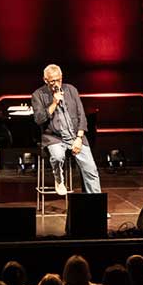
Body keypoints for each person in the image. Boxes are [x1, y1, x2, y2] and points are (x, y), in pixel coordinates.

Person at [30, 63, 102, 195]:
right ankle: (59, 179)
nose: (56, 83)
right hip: (54, 138)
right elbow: (39, 119)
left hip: (75, 136)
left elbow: (81, 115)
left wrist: (79, 138)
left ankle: (95, 203)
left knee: (91, 170)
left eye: (58, 80)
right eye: (52, 81)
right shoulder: (38, 95)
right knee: (58, 157)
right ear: (45, 80)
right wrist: (54, 102)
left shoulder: (71, 90)